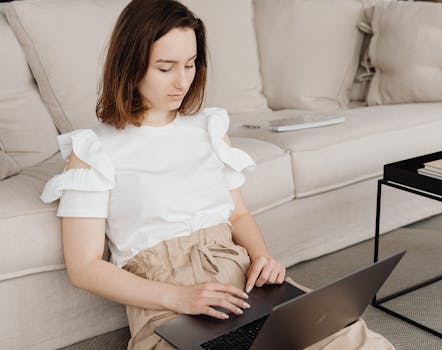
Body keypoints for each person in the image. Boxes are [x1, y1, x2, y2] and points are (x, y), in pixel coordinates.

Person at [41, 1, 394, 349]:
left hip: (241, 280)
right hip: (167, 304)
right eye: (165, 68)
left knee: (349, 336)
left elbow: (237, 214)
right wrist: (180, 298)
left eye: (190, 64)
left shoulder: (209, 128)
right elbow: (84, 267)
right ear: (130, 66)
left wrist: (261, 258)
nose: (182, 81)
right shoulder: (93, 150)